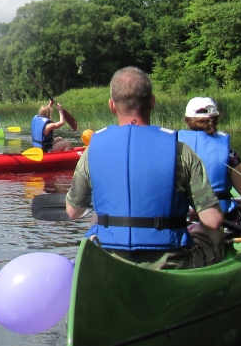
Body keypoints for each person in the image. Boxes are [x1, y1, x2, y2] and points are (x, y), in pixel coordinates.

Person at [65, 67, 224, 270]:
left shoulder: (91, 152)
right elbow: (213, 220)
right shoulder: (181, 151)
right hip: (170, 266)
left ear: (112, 106)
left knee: (97, 218)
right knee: (214, 231)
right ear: (152, 102)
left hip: (110, 264)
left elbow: (73, 211)